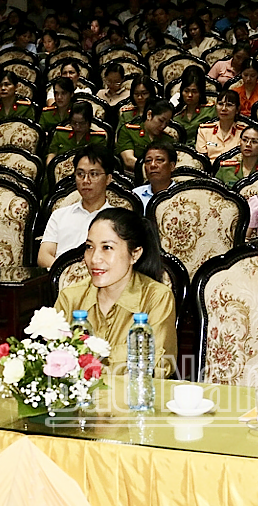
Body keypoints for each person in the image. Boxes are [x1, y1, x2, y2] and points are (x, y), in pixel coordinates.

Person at [54, 207, 177, 378]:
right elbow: (52, 361)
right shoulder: (71, 297)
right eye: (89, 247)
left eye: (107, 247)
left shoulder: (156, 298)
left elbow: (157, 367)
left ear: (135, 254)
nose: (94, 258)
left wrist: (88, 371)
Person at [39, 146, 114, 267]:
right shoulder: (59, 215)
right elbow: (43, 256)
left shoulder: (118, 219)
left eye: (93, 174)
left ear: (108, 179)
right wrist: (66, 274)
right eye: (80, 174)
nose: (86, 180)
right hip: (61, 281)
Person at [117, 98, 174, 172]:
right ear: (149, 115)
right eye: (161, 120)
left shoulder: (168, 139)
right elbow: (129, 160)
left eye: (167, 123)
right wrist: (152, 170)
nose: (163, 126)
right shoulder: (128, 131)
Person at [195, 89, 246, 161]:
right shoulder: (204, 130)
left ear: (237, 109)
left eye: (229, 105)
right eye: (220, 104)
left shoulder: (244, 132)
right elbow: (201, 161)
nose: (224, 109)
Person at [172, 66, 217, 139]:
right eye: (186, 91)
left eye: (194, 91)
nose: (190, 95)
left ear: (200, 92)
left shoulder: (211, 111)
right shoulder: (177, 117)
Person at [133, 143, 178, 211]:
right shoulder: (135, 195)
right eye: (148, 161)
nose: (153, 165)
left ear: (172, 166)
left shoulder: (183, 195)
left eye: (159, 160)